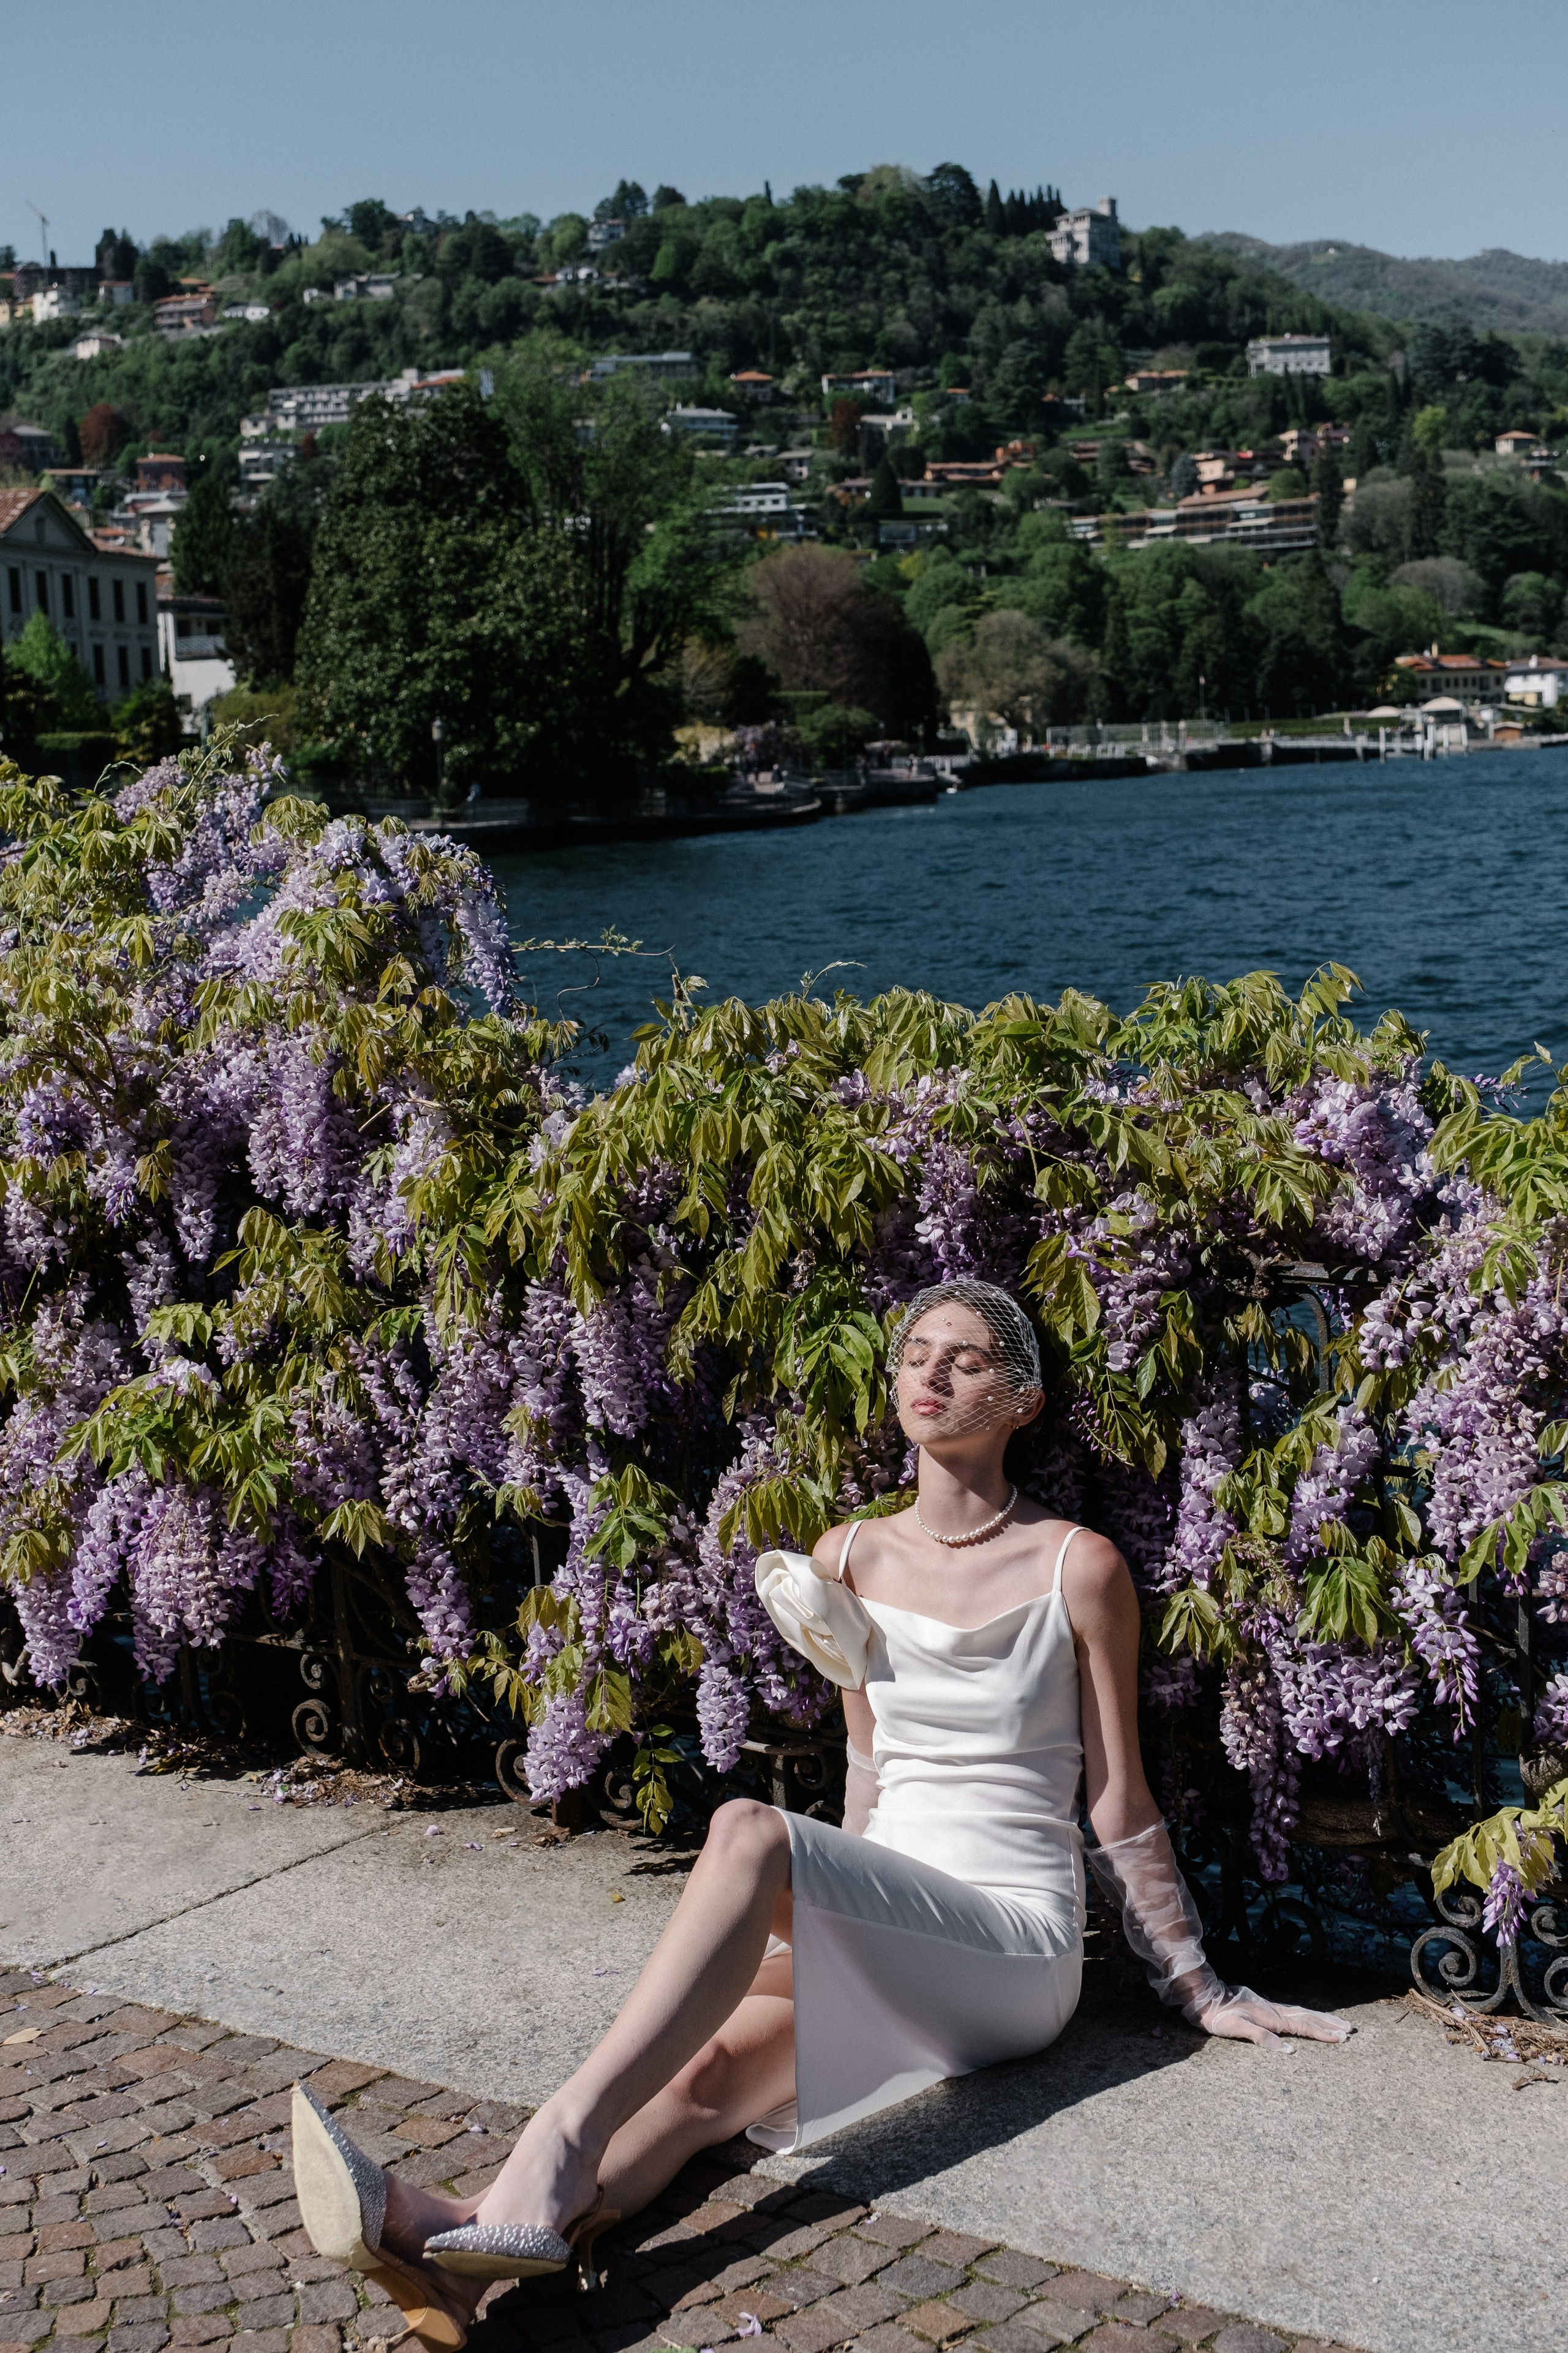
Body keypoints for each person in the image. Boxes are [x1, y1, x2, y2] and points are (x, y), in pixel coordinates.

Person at [290, 1279, 1350, 2350]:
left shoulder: (1079, 1564)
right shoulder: (843, 1555)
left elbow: (1117, 1791)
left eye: (969, 1359)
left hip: (1014, 1946)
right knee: (703, 2083)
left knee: (749, 1828)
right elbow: (867, 1773)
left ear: (1023, 1401)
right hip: (887, 1910)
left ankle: (556, 2139)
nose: (931, 1374)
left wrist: (1193, 1982)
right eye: (916, 1352)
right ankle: (463, 2243)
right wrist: (808, 1926)